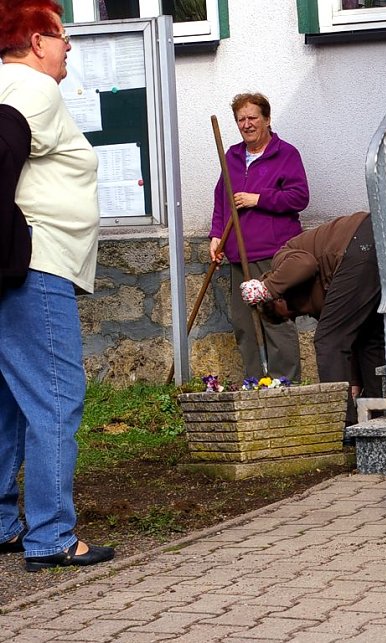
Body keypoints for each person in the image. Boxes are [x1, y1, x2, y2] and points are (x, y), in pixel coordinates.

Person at [0, 0, 115, 571]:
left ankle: (3, 522)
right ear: (37, 40)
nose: (69, 46)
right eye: (62, 35)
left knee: (8, 404)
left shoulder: (7, 84)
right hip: (35, 267)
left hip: (18, 268)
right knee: (55, 400)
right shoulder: (31, 88)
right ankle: (51, 537)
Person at [239, 211, 386, 425]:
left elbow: (305, 264)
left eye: (292, 310)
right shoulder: (321, 295)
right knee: (370, 338)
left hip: (369, 241)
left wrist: (266, 288)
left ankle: (342, 427)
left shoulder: (282, 260)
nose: (300, 312)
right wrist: (352, 383)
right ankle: (379, 420)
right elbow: (350, 338)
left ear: (278, 299)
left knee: (328, 340)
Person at [209, 92, 309, 382]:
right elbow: (221, 199)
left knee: (274, 319)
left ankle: (285, 385)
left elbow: (299, 197)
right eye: (241, 119)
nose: (247, 124)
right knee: (244, 324)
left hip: (273, 254)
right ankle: (255, 384)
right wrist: (216, 236)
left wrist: (258, 199)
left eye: (253, 117)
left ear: (266, 119)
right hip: (239, 256)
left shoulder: (285, 154)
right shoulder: (233, 156)